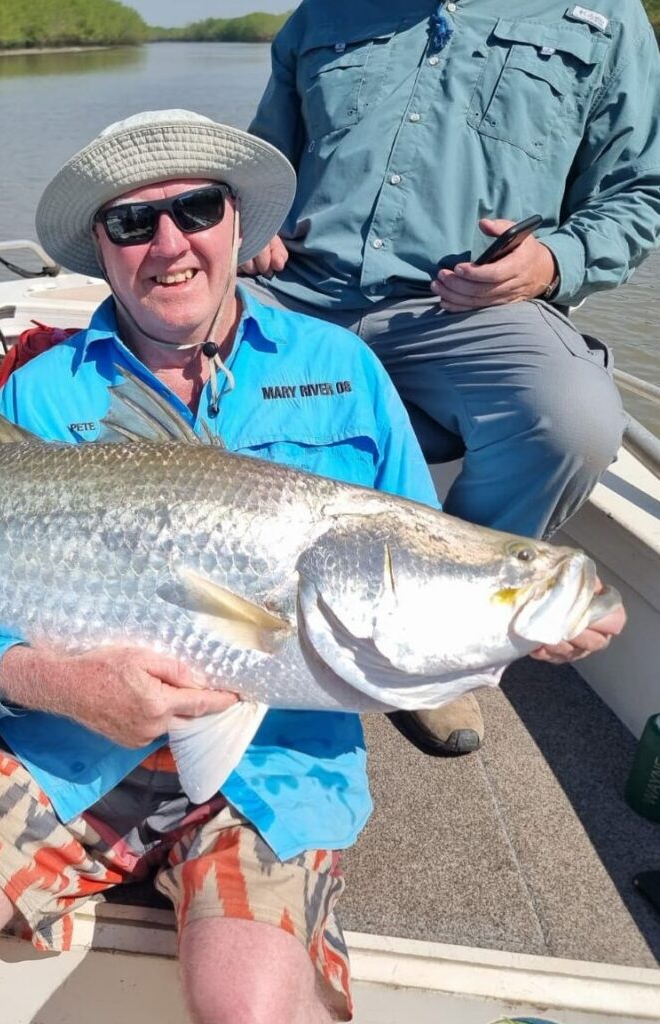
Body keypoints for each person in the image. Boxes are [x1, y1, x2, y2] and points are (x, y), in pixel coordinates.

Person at [0, 109, 449, 1024]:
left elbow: (426, 568)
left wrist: (537, 616)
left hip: (274, 761)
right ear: (101, 246)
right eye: (133, 222)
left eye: (197, 209)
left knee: (249, 1008)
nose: (170, 244)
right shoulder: (41, 391)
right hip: (55, 748)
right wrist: (47, 678)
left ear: (240, 225)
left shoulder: (345, 367)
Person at [241, 0, 656, 756]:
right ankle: (214, 626)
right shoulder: (320, 14)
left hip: (462, 310)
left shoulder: (607, 17)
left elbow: (640, 193)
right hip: (300, 293)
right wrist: (255, 218)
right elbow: (263, 160)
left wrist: (554, 260)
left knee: (570, 417)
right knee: (150, 351)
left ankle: (442, 651)